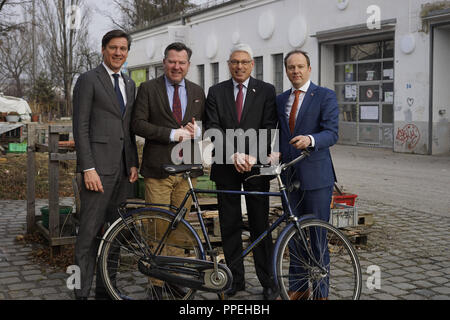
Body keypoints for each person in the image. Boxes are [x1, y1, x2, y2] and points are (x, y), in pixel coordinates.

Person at [204, 43, 279, 300]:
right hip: (226, 167)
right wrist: (233, 154)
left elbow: (269, 126)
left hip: (256, 168)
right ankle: (235, 280)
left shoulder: (266, 91)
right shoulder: (215, 92)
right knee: (229, 224)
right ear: (228, 65)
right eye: (235, 62)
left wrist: (252, 156)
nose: (239, 66)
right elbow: (212, 127)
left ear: (252, 64)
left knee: (260, 224)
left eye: (244, 62)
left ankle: (268, 281)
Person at [72, 30, 139, 300]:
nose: (118, 53)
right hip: (97, 172)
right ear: (103, 49)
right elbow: (81, 126)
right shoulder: (88, 80)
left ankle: (106, 291)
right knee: (86, 237)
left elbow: (128, 129)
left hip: (124, 173)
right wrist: (88, 168)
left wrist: (133, 162)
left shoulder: (129, 83)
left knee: (115, 236)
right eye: (113, 48)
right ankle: (77, 291)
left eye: (123, 48)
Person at [276, 49, 339, 300]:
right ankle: (298, 289)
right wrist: (275, 155)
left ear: (309, 68)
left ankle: (321, 293)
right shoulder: (281, 100)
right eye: (291, 67)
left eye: (300, 66)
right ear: (286, 70)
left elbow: (332, 132)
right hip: (289, 178)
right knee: (294, 237)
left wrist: (311, 139)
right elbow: (280, 135)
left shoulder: (324, 96)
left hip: (317, 178)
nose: (296, 71)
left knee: (318, 237)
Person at [132, 42, 205, 214]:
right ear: (164, 62)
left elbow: (207, 123)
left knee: (181, 224)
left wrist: (199, 131)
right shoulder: (148, 88)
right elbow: (137, 124)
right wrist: (171, 134)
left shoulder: (197, 91)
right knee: (158, 224)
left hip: (188, 168)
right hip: (159, 168)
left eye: (181, 63)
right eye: (172, 62)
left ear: (188, 65)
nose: (176, 67)